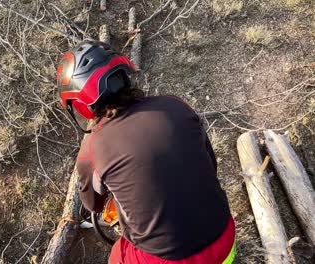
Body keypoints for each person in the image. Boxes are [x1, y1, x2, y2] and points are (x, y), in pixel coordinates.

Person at [56, 41, 236, 264]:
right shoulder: (176, 105)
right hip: (225, 240)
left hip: (167, 259)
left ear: (82, 105)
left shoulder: (91, 148)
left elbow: (93, 205)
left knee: (116, 258)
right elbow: (210, 163)